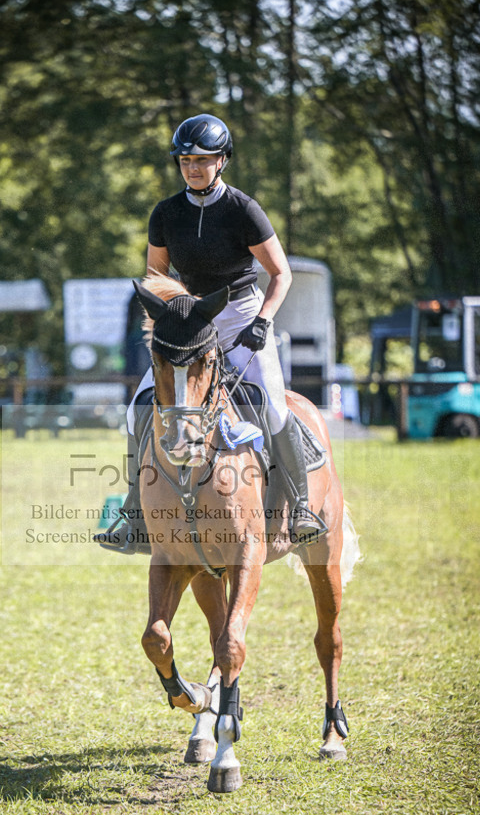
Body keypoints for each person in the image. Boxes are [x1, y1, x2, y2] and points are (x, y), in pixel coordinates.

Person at [96, 112, 326, 552]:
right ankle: (133, 512)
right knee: (138, 409)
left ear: (222, 160)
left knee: (274, 408)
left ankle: (299, 508)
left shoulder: (243, 210)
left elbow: (281, 275)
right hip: (189, 322)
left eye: (203, 160)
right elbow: (155, 276)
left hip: (241, 316)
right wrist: (166, 320)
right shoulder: (165, 213)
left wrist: (263, 321)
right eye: (185, 161)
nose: (193, 168)